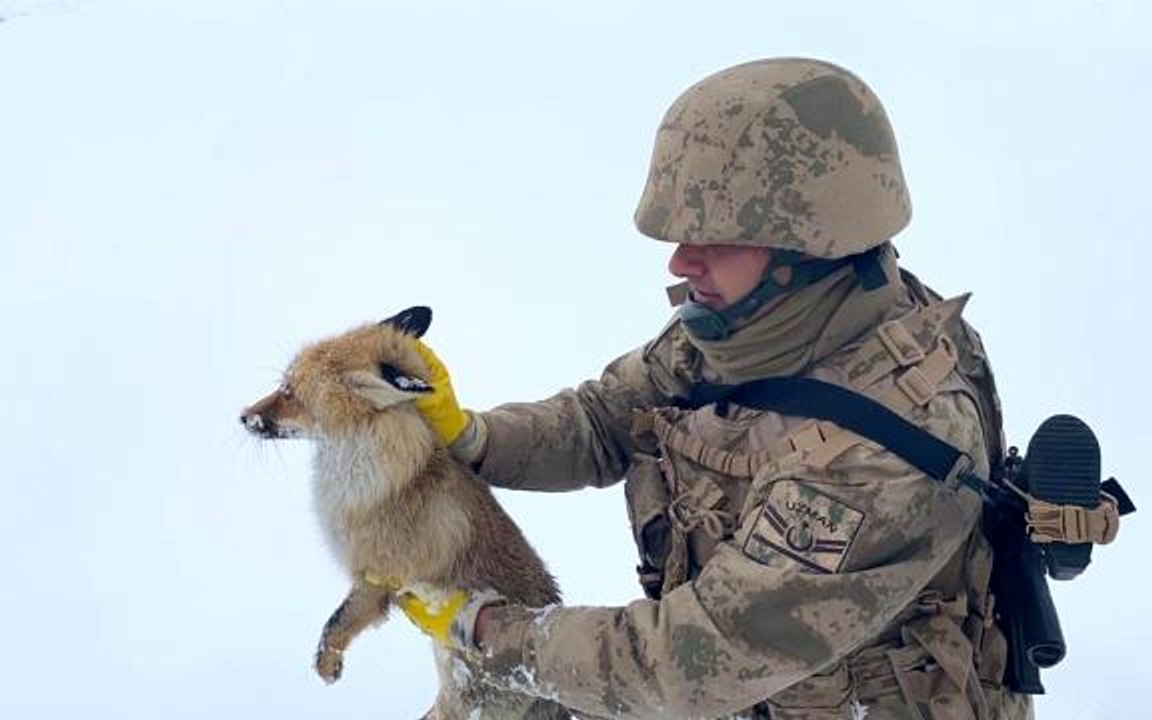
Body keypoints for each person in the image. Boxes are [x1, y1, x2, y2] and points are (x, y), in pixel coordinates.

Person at [401, 57, 1031, 719]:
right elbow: (602, 419)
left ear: (809, 246)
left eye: (715, 237)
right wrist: (470, 436)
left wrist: (485, 631)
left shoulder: (885, 454)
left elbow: (685, 662)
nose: (679, 261)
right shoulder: (751, 325)